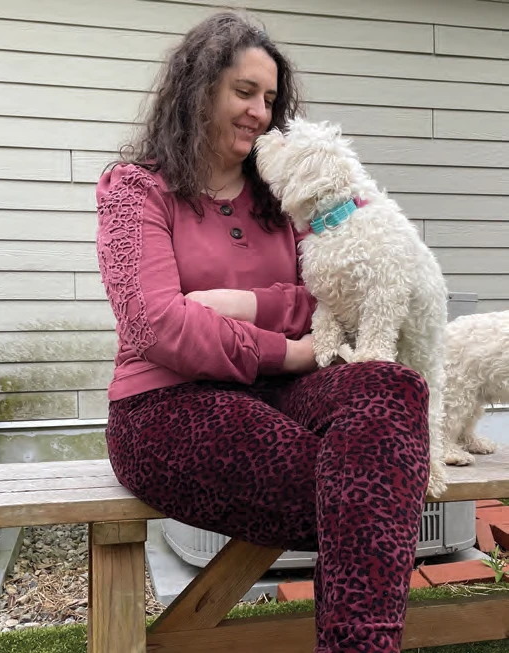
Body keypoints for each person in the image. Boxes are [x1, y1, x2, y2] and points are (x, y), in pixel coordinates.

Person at [96, 12, 430, 653]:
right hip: (165, 405)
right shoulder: (137, 190)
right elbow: (158, 325)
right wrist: (292, 350)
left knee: (391, 385)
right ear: (199, 90)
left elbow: (333, 295)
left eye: (270, 99)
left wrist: (242, 303)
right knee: (370, 494)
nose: (260, 111)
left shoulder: (285, 199)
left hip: (277, 395)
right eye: (243, 91)